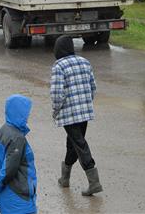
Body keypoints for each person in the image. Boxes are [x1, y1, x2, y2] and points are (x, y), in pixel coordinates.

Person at [50, 35, 103, 196]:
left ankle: (94, 182)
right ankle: (64, 178)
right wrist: (85, 104)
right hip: (84, 112)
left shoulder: (59, 66)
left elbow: (57, 94)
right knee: (73, 143)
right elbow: (93, 87)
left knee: (79, 144)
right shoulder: (85, 62)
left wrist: (55, 111)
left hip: (69, 114)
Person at [0, 94, 38, 214]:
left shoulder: (2, 131)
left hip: (4, 198)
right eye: (25, 113)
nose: (27, 117)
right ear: (18, 112)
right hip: (18, 199)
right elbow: (9, 169)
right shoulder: (18, 138)